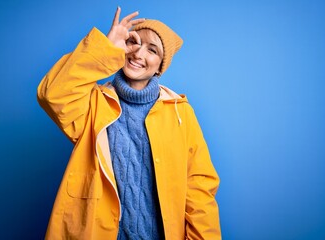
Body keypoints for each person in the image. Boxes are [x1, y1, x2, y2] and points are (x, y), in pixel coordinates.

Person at [37, 7, 221, 240]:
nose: (138, 53)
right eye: (134, 42)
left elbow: (199, 186)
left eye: (152, 49)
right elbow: (52, 94)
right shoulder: (94, 102)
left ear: (161, 65)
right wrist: (106, 47)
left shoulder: (179, 111)